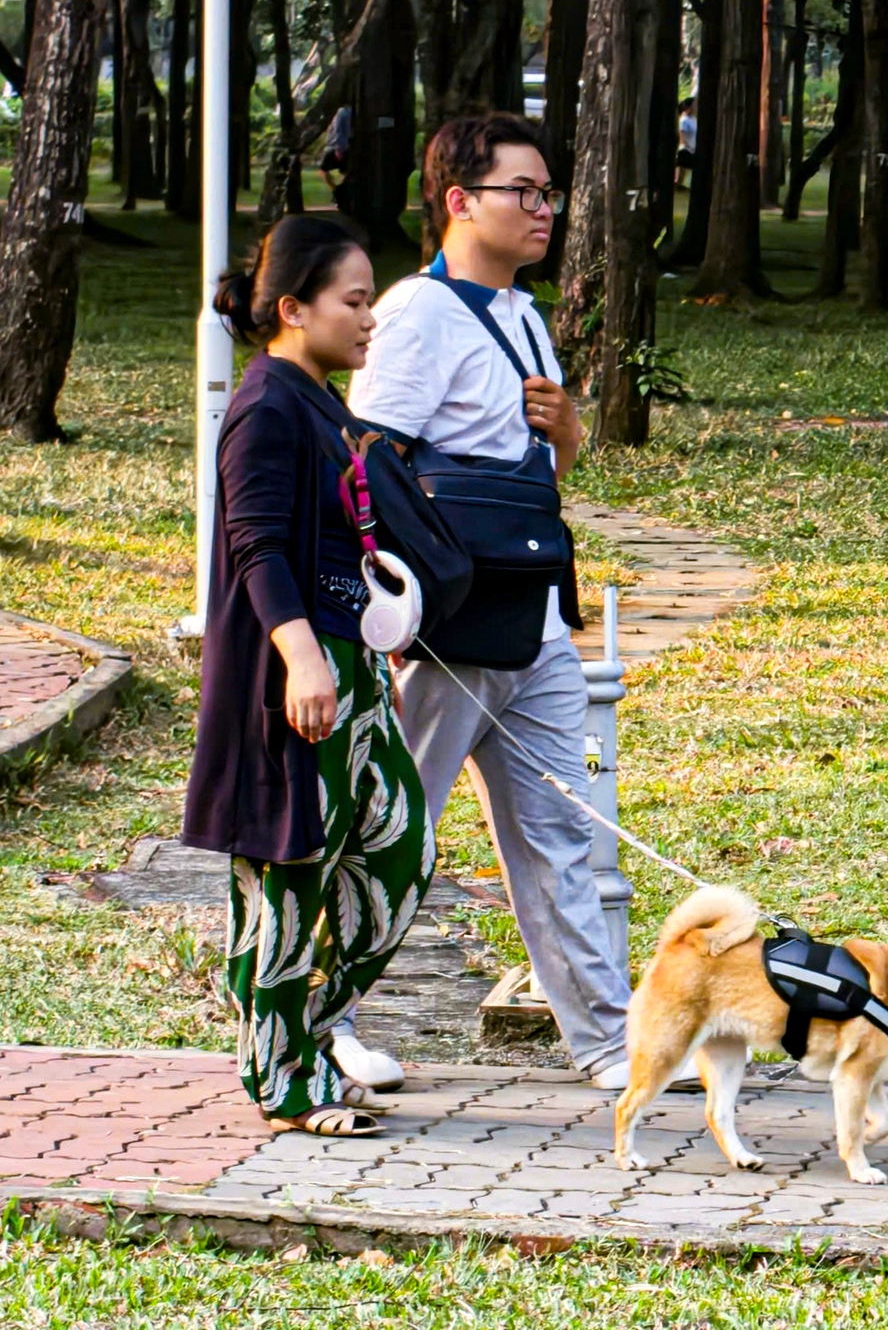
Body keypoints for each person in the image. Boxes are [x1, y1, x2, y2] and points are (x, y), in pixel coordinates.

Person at [347, 112, 634, 1091]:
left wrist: (566, 431)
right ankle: (320, 1022)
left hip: (535, 620)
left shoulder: (521, 313)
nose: (544, 209)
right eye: (525, 191)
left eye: (549, 192)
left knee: (557, 832)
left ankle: (606, 1040)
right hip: (450, 629)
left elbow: (534, 472)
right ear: (460, 200)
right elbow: (370, 463)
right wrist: (405, 598)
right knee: (396, 828)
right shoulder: (415, 315)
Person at [181, 214, 433, 1137]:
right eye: (354, 300)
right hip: (292, 677)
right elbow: (254, 543)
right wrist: (301, 658)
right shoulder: (267, 405)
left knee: (402, 857)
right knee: (289, 877)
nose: (371, 319)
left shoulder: (322, 400)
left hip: (352, 665)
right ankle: (281, 1082)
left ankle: (305, 1028)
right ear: (294, 307)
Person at [676, 96, 698, 186]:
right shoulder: (684, 120)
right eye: (694, 105)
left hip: (693, 149)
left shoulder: (694, 119)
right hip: (687, 150)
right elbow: (682, 137)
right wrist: (689, 148)